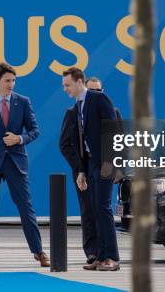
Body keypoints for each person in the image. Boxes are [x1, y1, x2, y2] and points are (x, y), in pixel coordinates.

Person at [0, 63, 49, 269]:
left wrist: (19, 139)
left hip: (16, 162)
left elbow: (35, 130)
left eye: (13, 80)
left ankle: (39, 251)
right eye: (7, 81)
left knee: (26, 207)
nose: (11, 84)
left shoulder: (23, 102)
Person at [62, 67, 120, 271]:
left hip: (104, 163)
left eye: (67, 85)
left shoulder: (98, 99)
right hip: (91, 164)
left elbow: (114, 132)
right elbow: (80, 142)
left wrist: (112, 162)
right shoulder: (78, 106)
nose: (65, 89)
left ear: (80, 82)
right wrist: (81, 171)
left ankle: (112, 257)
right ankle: (101, 256)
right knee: (95, 209)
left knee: (103, 208)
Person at [59, 105, 99, 265]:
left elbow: (117, 140)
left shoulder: (111, 111)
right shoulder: (73, 113)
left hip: (104, 167)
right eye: (92, 91)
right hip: (84, 167)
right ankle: (92, 251)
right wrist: (79, 167)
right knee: (88, 208)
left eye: (99, 90)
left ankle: (107, 250)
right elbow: (64, 144)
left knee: (103, 209)